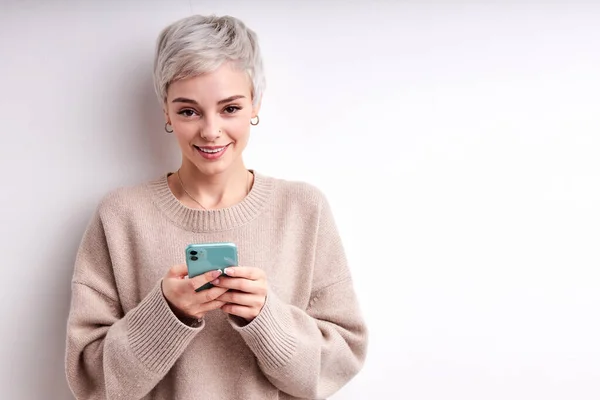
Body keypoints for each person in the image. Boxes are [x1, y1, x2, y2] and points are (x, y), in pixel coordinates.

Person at [65, 14, 368, 400]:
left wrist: (265, 318)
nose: (211, 131)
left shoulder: (303, 209)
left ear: (255, 103)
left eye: (230, 108)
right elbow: (91, 381)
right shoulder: (120, 216)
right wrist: (168, 314)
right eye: (189, 110)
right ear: (165, 111)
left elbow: (339, 363)